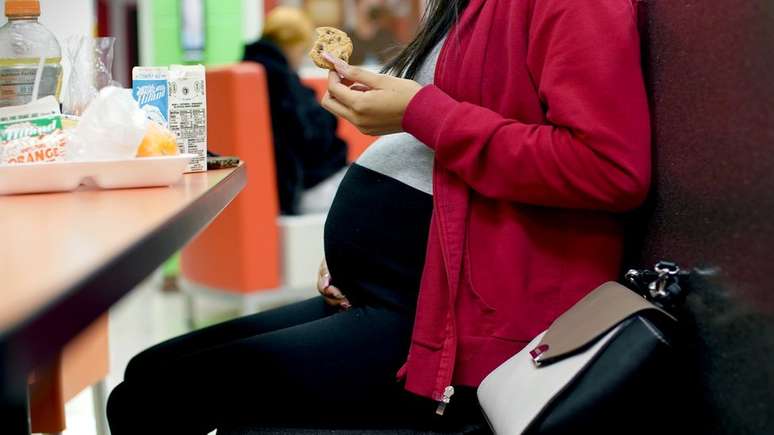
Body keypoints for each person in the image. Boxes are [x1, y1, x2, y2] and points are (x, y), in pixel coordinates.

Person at [106, 1, 650, 433]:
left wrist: (418, 109)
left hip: (441, 317)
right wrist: (353, 251)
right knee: (146, 373)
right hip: (386, 290)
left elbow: (607, 168)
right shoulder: (464, 9)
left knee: (152, 397)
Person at [243, 7, 348, 215]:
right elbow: (308, 137)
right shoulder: (280, 79)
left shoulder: (257, 70)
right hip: (304, 185)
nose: (301, 59)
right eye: (302, 51)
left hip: (291, 181)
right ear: (292, 45)